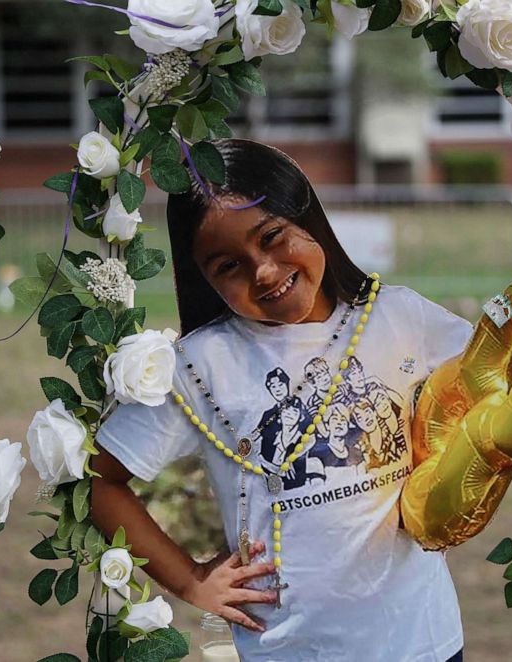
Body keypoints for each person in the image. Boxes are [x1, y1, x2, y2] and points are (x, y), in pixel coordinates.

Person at [92, 138, 472, 662]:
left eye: (272, 236)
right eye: (228, 266)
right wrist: (191, 581)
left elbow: (493, 385)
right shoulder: (201, 366)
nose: (264, 272)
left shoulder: (400, 317)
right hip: (289, 651)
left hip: (423, 642)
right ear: (202, 276)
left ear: (308, 216)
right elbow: (101, 482)